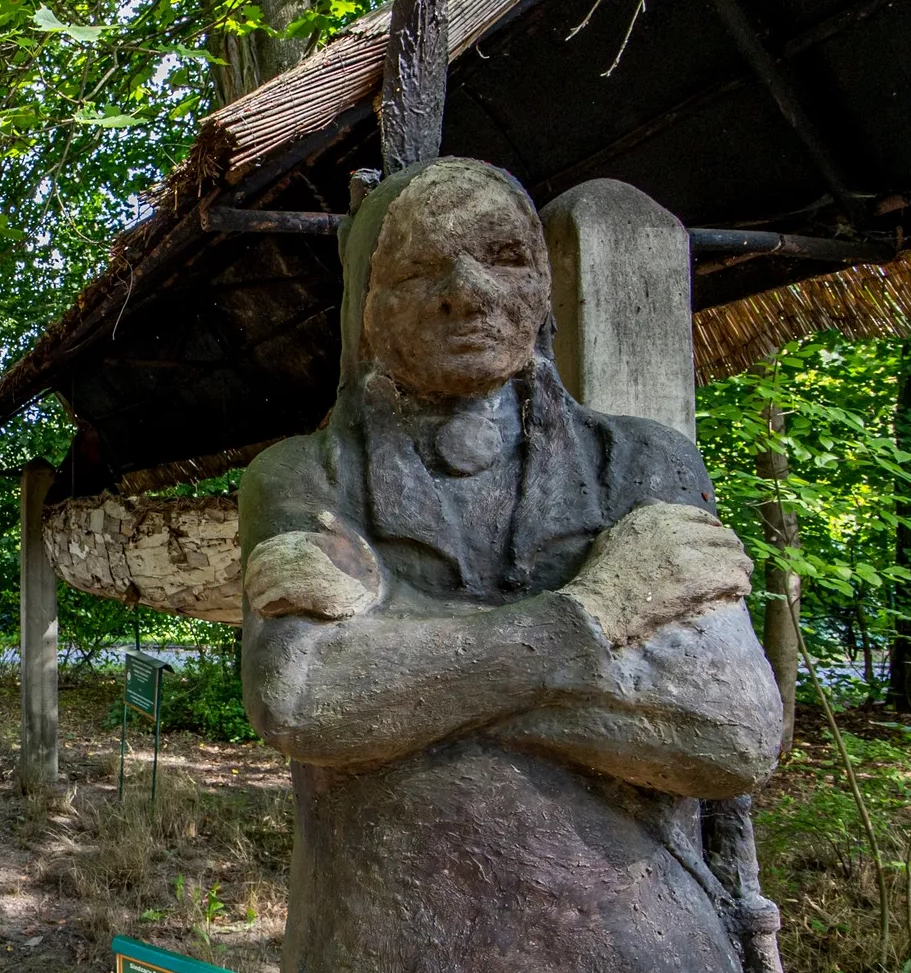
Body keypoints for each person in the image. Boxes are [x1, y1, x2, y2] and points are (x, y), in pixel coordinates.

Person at [239, 157, 782, 972]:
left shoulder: (642, 465)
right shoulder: (305, 476)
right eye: (421, 266)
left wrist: (398, 649)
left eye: (502, 255)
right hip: (385, 938)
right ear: (366, 304)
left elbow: (729, 733)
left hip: (642, 943)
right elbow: (303, 700)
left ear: (543, 287)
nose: (467, 291)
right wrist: (593, 617)